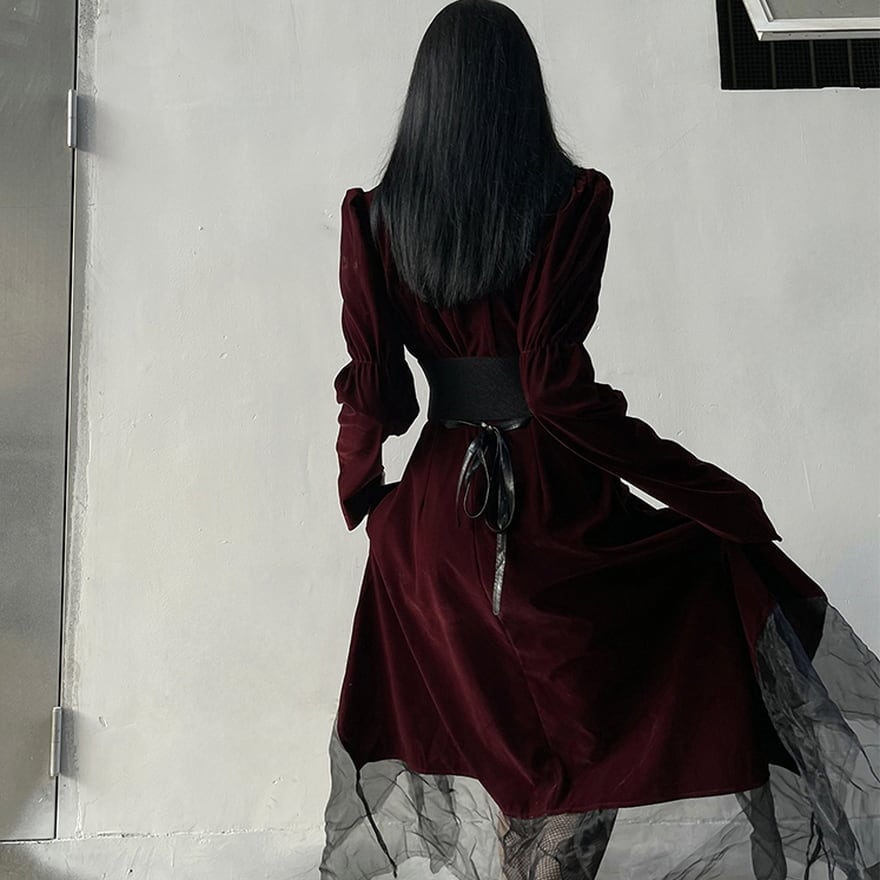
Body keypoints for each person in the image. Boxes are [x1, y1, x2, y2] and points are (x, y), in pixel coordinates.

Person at [319, 2, 880, 878]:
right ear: (520, 92)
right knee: (605, 710)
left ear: (427, 97)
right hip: (548, 504)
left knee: (514, 752)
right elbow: (553, 390)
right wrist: (706, 496)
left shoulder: (375, 218)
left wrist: (369, 500)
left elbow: (381, 391)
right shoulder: (570, 202)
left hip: (432, 524)